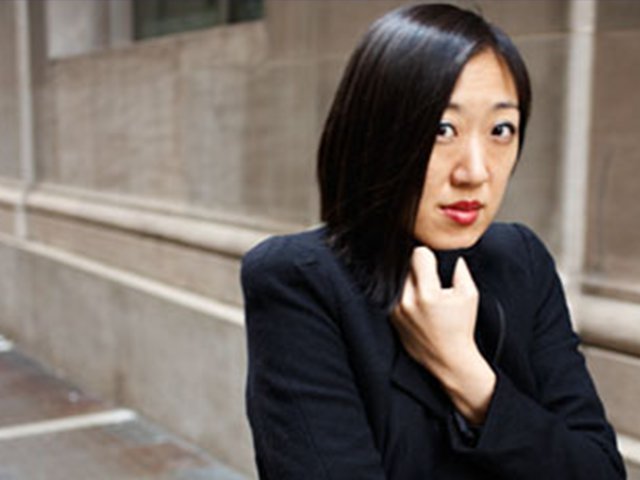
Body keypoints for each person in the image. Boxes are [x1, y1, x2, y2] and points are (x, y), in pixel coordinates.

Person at [240, 3, 626, 479]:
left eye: (501, 130)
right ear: (376, 132)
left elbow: (600, 471)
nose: (475, 172)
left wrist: (465, 372)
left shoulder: (520, 261)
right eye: (443, 129)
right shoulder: (300, 280)